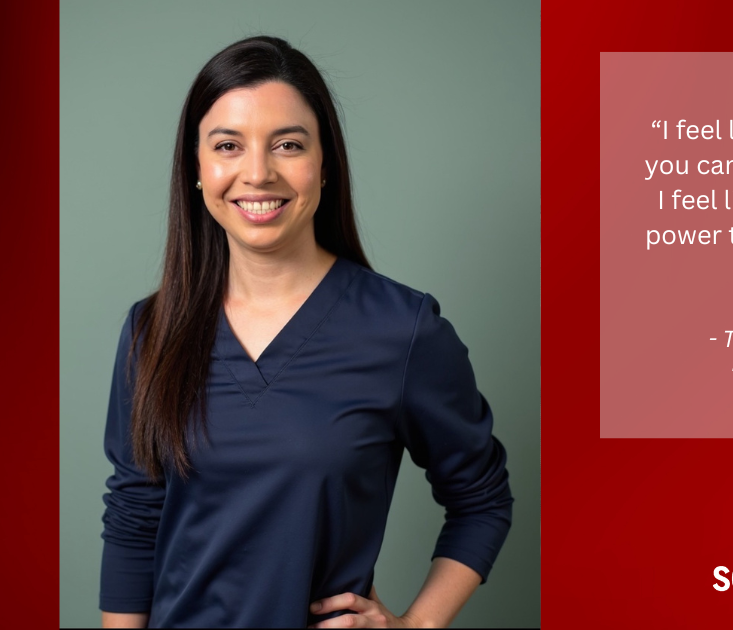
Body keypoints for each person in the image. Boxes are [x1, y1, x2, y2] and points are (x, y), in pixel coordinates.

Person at [98, 36, 514, 628]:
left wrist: (416, 626)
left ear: (325, 165)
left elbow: (482, 499)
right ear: (197, 169)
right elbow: (135, 516)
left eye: (288, 145)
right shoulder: (152, 331)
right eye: (228, 146)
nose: (257, 173)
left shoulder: (401, 330)